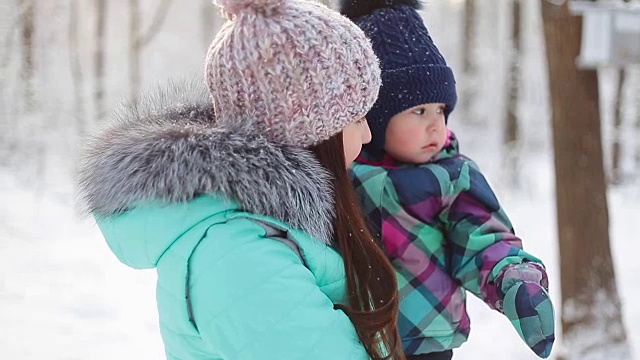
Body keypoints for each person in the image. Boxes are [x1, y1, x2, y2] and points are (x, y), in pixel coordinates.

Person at [76, 0, 406, 358]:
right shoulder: (241, 255)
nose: (369, 134)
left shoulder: (268, 229)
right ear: (311, 128)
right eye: (356, 118)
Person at [339, 0, 556, 359]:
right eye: (419, 111)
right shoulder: (344, 174)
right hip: (353, 335)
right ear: (373, 118)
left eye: (441, 110)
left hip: (426, 339)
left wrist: (514, 280)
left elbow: (483, 238)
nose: (435, 124)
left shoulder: (452, 177)